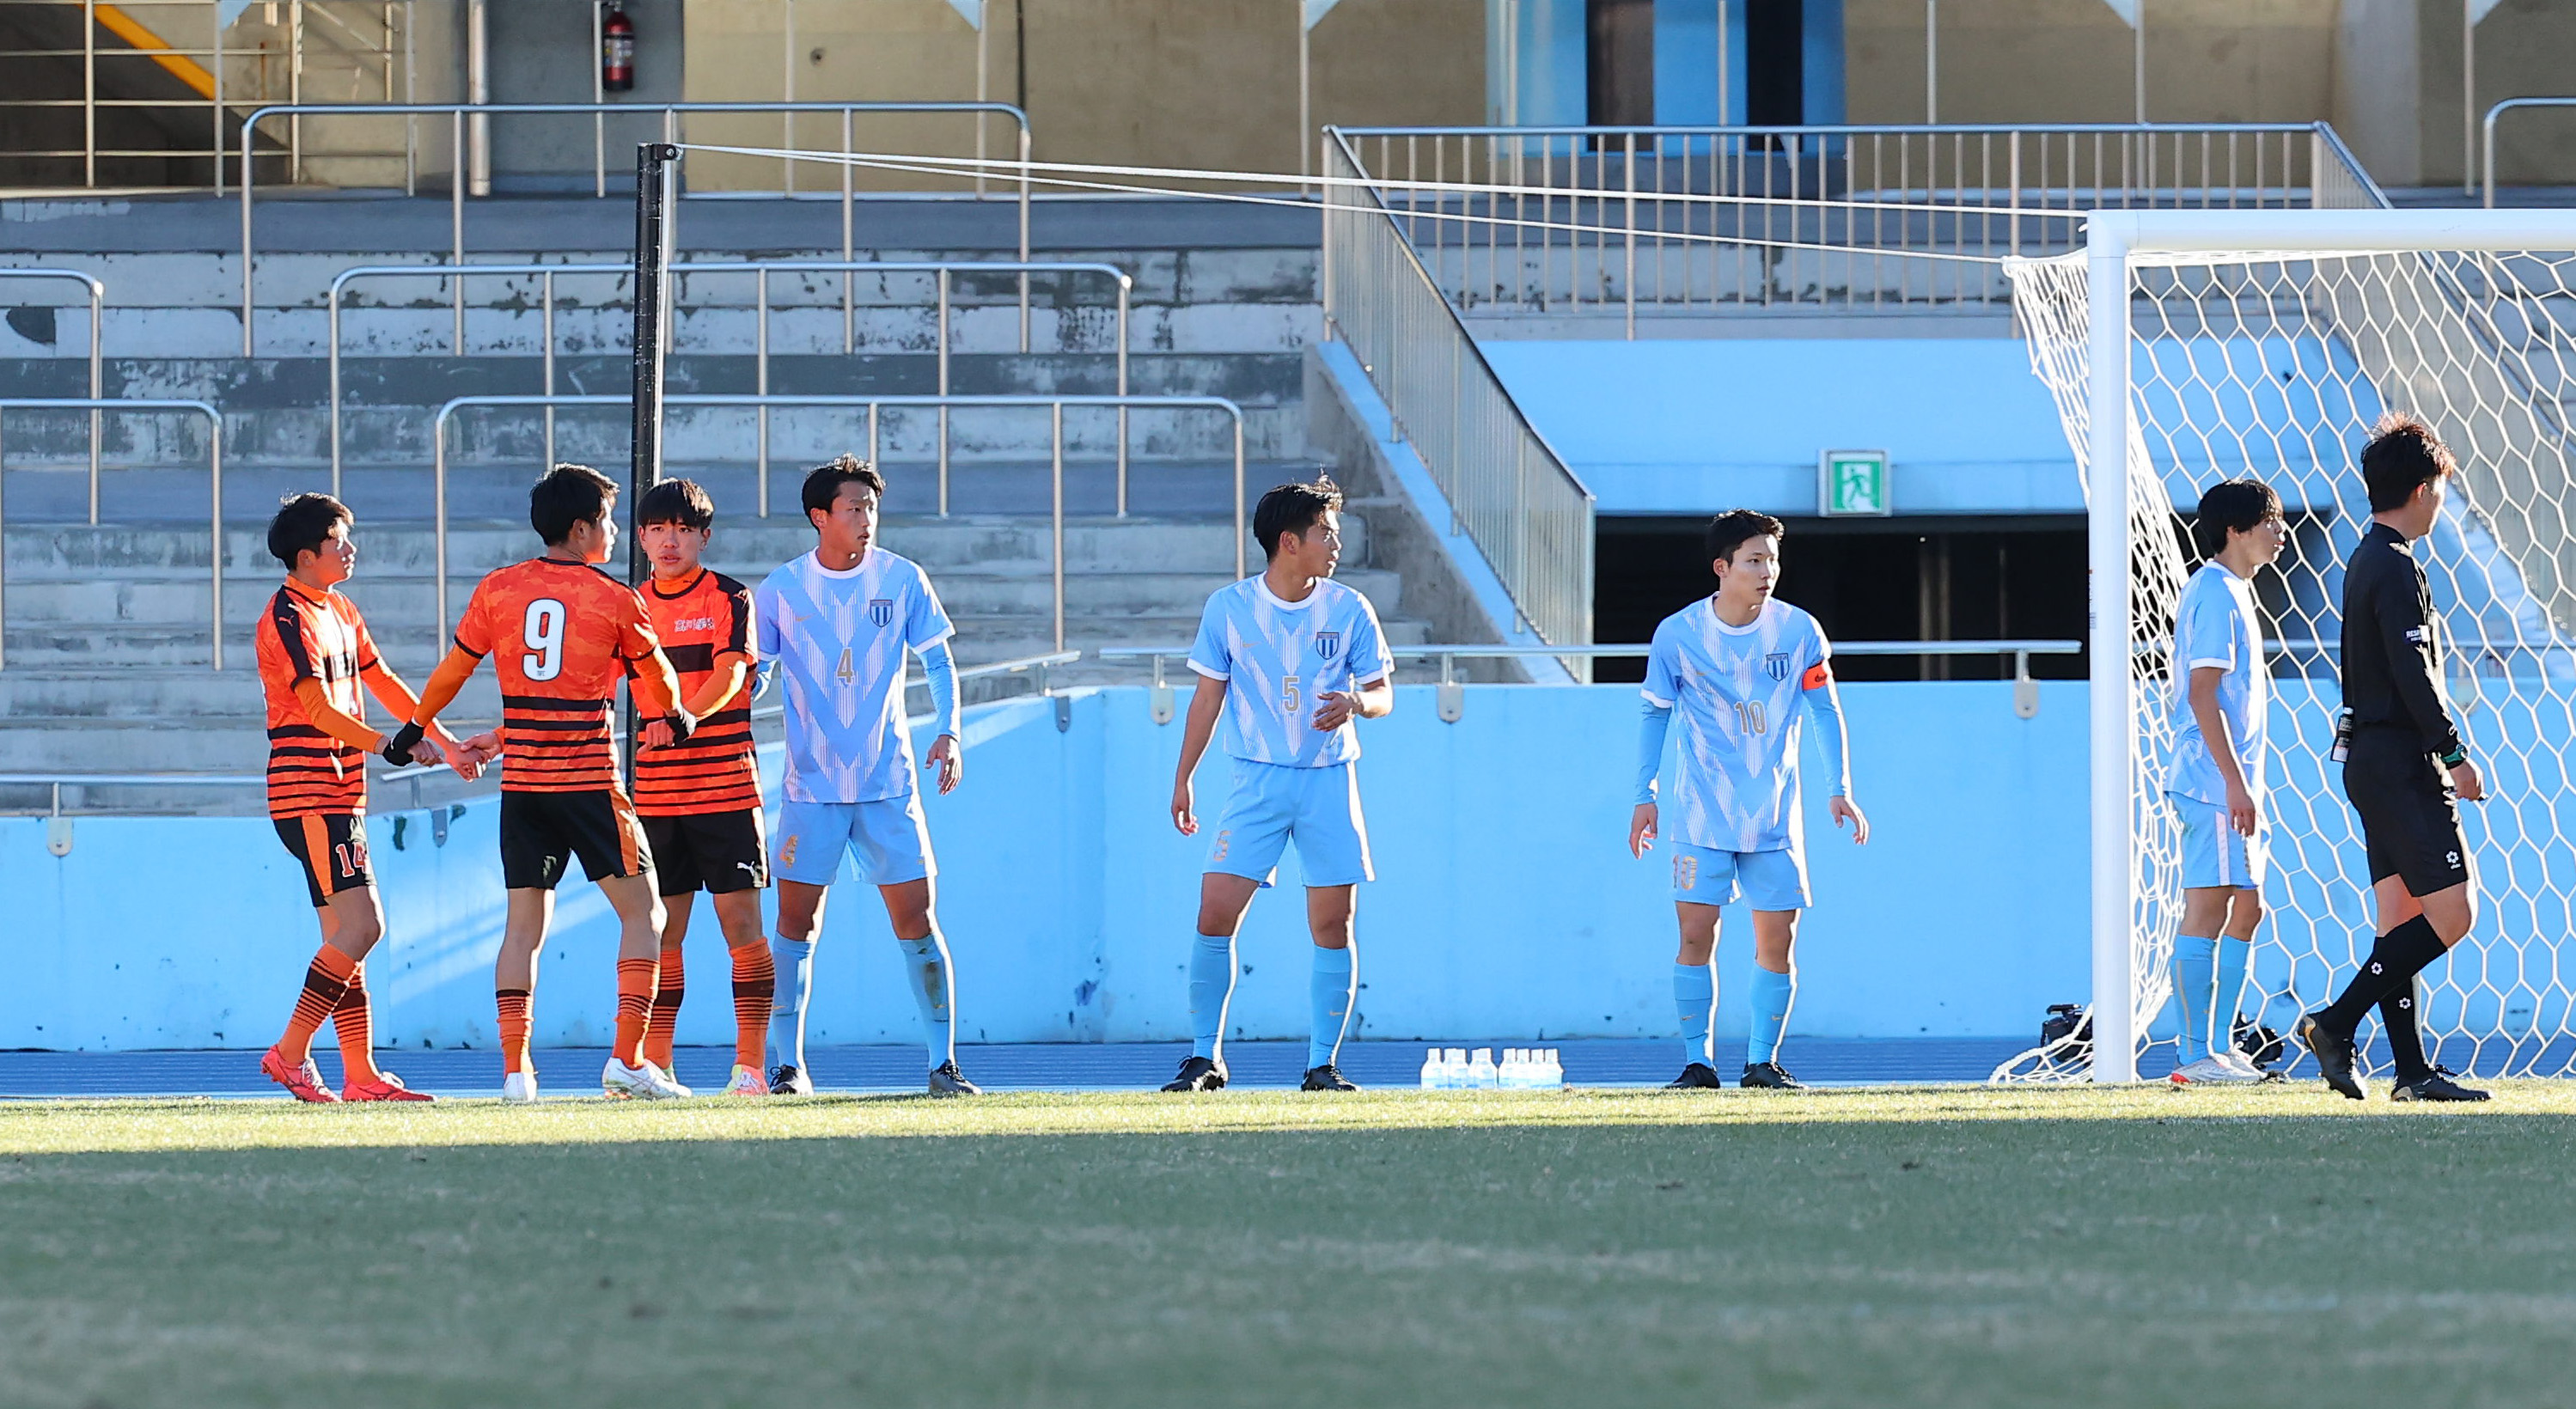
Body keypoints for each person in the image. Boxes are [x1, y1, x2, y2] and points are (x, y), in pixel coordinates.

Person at [404, 464, 696, 1102]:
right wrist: (676, 717)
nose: (615, 533)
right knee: (644, 914)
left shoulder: (499, 590)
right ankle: (626, 1059)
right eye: (610, 521)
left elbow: (455, 671)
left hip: (526, 789)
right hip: (589, 784)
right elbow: (659, 685)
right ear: (582, 527)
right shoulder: (616, 598)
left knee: (521, 929)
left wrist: (417, 727)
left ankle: (516, 1073)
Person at [755, 455, 979, 1097]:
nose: (865, 519)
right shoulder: (782, 589)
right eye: (853, 508)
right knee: (796, 926)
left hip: (888, 784)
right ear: (819, 516)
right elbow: (761, 671)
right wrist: (730, 702)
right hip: (810, 788)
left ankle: (943, 1063)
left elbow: (938, 660)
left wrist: (951, 729)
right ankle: (787, 1067)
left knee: (917, 919)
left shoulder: (903, 579)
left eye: (871, 508)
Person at [1164, 476, 1394, 1095]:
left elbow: (1383, 693)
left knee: (1332, 924)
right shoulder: (1229, 608)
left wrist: (1358, 704)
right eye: (1326, 532)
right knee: (1215, 913)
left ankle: (1323, 1064)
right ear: (1289, 542)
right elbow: (1207, 697)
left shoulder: (1349, 609)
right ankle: (1203, 1058)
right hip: (1256, 782)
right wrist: (1183, 777)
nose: (1336, 542)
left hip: (1328, 781)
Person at [1630, 509, 1867, 1092]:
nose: (1768, 571)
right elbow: (1653, 714)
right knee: (1694, 936)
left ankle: (1762, 1063)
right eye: (1755, 560)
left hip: (1774, 817)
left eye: (1773, 560)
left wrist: (1841, 789)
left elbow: (1824, 709)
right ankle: (1696, 1064)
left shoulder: (1799, 631)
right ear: (1723, 567)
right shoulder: (1678, 634)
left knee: (1777, 940)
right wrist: (1645, 795)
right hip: (1699, 813)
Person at [2298, 416, 2491, 1102]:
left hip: (2370, 762)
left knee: (2401, 924)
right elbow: (2415, 674)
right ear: (2420, 488)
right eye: (2441, 488)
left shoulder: (2364, 557)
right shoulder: (2397, 565)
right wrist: (2455, 753)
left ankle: (2410, 1074)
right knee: (2455, 914)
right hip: (2402, 764)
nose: (2442, 501)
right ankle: (2334, 1022)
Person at [253, 493, 468, 1103]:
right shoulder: (287, 617)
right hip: (310, 792)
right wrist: (389, 745)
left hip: (339, 792)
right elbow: (317, 709)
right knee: (363, 926)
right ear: (305, 555)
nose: (350, 549)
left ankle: (360, 1075)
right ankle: (290, 1053)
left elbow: (383, 680)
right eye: (339, 541)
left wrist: (440, 741)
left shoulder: (340, 608)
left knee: (345, 938)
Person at [629, 479, 773, 1098]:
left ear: (703, 537)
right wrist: (504, 735)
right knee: (663, 930)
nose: (670, 540)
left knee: (740, 925)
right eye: (659, 529)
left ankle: (750, 1068)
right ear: (641, 537)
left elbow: (731, 670)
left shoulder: (730, 596)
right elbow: (582, 683)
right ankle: (656, 1065)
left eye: (683, 530)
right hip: (655, 794)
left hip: (725, 789)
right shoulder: (628, 604)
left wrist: (684, 717)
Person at [2164, 479, 2288, 1086]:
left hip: (2231, 783)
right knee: (2209, 907)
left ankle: (2219, 1046)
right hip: (2212, 782)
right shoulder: (2213, 593)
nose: (2280, 531)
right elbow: (2201, 691)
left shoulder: (2235, 591)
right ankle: (2193, 1056)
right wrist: (2235, 784)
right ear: (2236, 530)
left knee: (2249, 908)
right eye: (2270, 520)